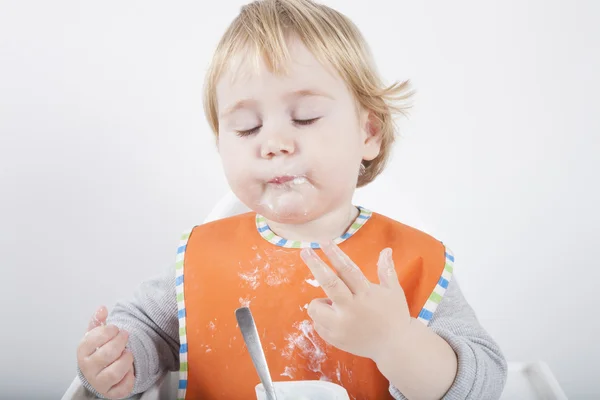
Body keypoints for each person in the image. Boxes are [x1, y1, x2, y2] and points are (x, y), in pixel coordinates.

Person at [76, 0, 507, 398]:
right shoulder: (203, 258)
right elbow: (149, 329)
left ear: (368, 134)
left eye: (306, 117)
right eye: (247, 127)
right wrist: (119, 362)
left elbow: (485, 380)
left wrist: (397, 344)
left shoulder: (409, 264)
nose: (274, 143)